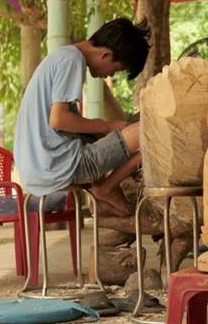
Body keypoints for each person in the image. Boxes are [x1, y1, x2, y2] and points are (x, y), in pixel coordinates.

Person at [14, 18, 149, 216]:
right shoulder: (72, 59)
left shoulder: (61, 56)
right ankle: (106, 188)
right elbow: (59, 120)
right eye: (117, 69)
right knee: (150, 129)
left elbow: (63, 125)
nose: (110, 75)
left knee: (127, 132)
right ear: (106, 54)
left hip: (41, 168)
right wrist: (108, 127)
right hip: (58, 166)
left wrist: (108, 132)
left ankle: (105, 193)